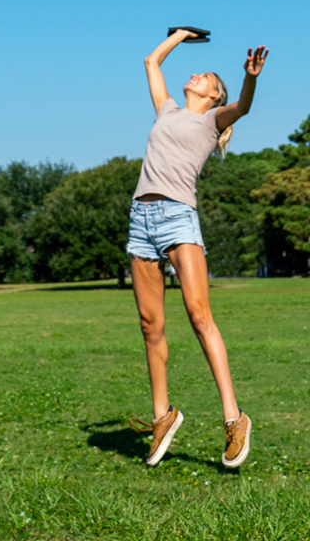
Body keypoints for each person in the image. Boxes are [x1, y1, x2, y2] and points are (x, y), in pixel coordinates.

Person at [127, 29, 268, 468]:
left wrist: (250, 78)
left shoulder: (211, 121)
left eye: (204, 75)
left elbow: (243, 107)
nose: (195, 75)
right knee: (151, 325)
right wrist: (181, 36)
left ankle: (233, 418)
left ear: (213, 94)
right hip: (140, 220)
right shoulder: (166, 110)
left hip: (177, 218)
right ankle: (162, 416)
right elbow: (151, 63)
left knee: (199, 315)